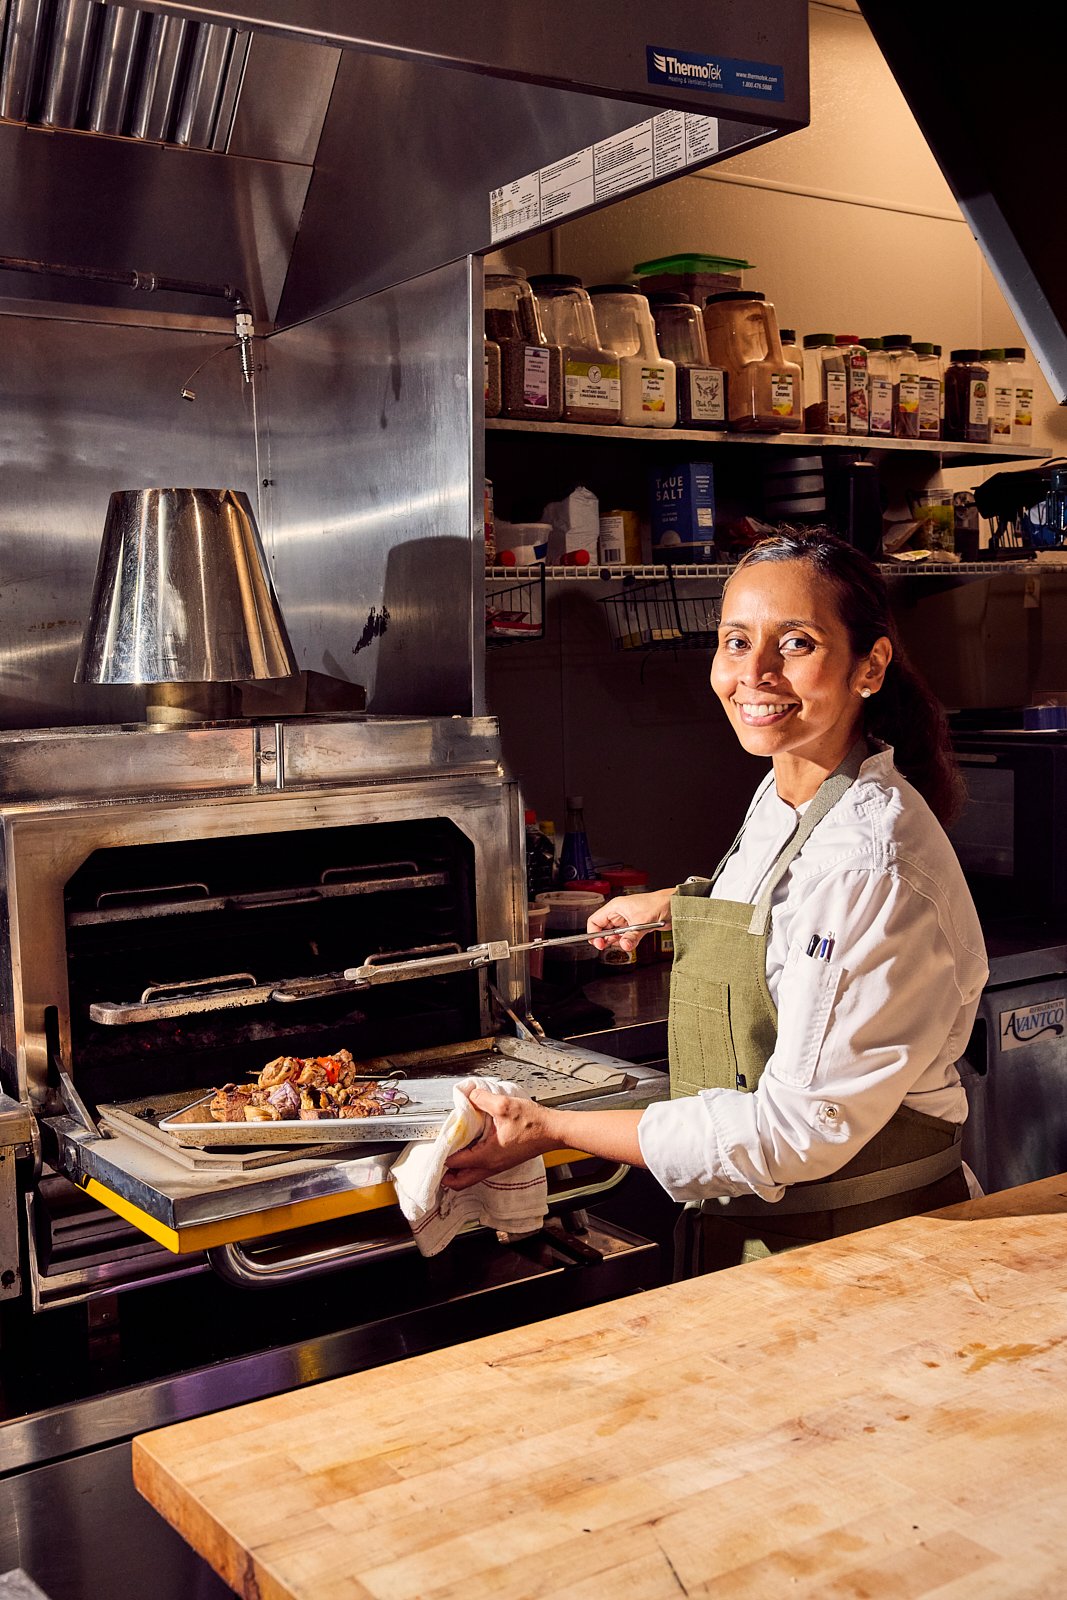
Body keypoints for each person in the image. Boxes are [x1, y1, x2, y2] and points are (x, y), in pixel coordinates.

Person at [445, 530, 988, 1272]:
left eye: (795, 643)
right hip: (772, 1236)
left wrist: (551, 1128)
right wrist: (673, 904)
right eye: (736, 641)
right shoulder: (789, 787)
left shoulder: (869, 862)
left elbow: (794, 1133)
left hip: (863, 1247)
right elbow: (786, 901)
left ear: (870, 666)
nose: (754, 673)